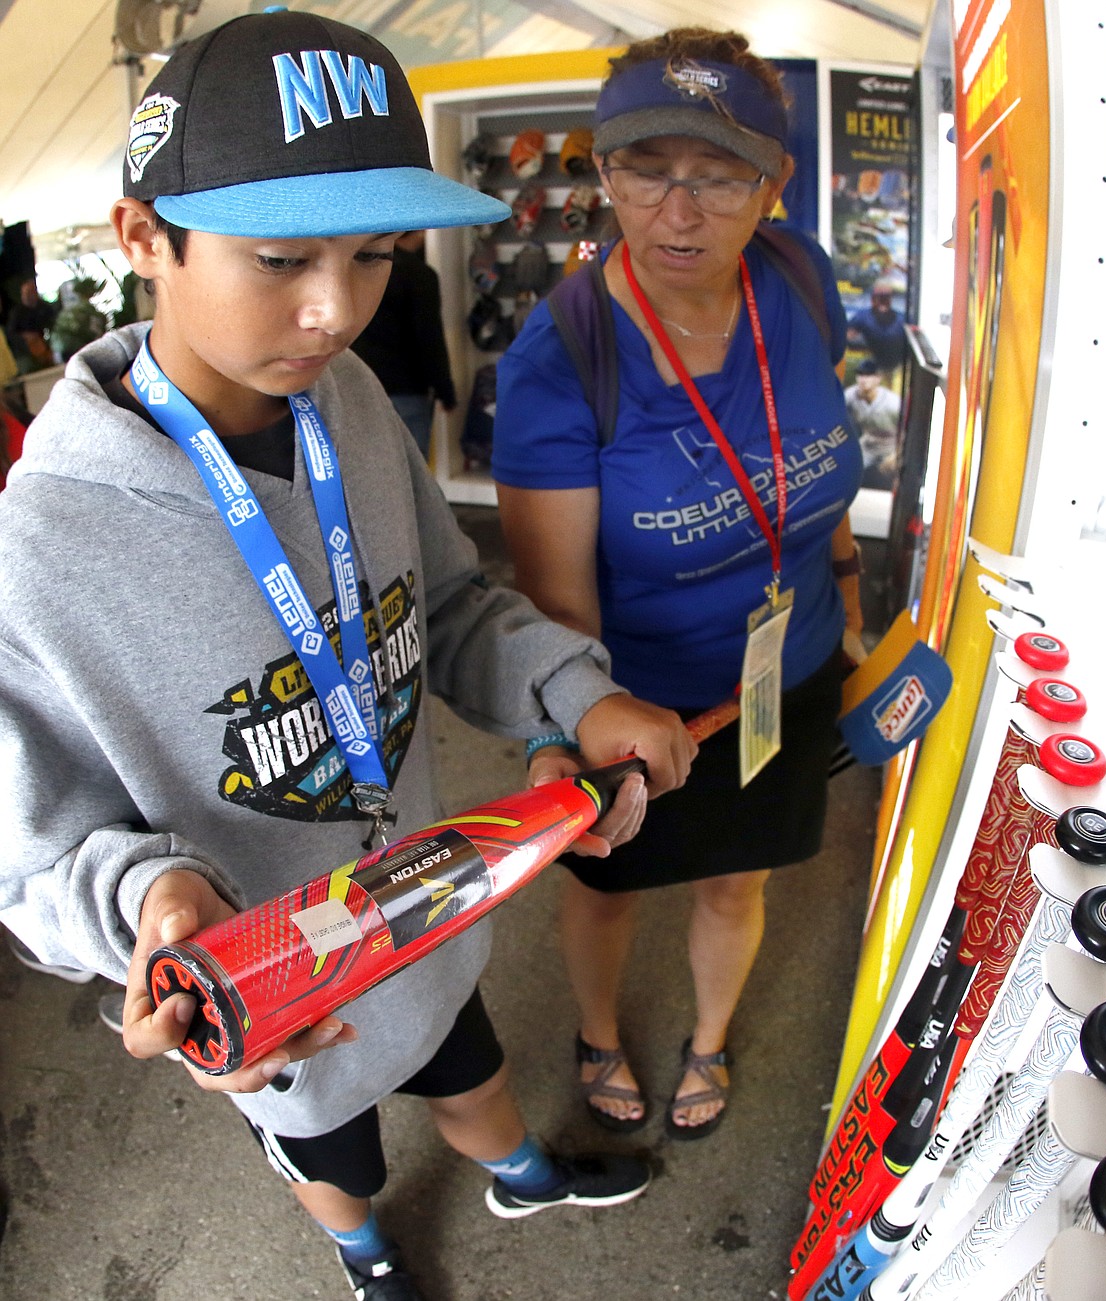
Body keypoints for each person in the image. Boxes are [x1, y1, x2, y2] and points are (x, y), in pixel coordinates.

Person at [0, 13, 699, 1301]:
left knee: (469, 1066)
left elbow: (444, 608)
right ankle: (368, 1254)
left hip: (433, 910)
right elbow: (33, 852)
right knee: (331, 1150)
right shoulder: (41, 541)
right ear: (144, 235)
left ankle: (522, 1171)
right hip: (278, 993)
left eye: (375, 254)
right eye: (280, 256)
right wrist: (150, 907)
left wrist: (575, 692)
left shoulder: (354, 403)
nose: (335, 309)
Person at [492, 28, 864, 1141]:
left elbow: (816, 456)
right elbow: (554, 600)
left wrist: (847, 598)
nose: (679, 212)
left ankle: (708, 1039)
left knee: (737, 878)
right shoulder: (563, 358)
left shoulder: (801, 279)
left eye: (718, 175)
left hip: (785, 674)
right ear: (602, 171)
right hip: (639, 708)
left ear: (775, 184)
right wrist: (560, 736)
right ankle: (598, 1031)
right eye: (645, 170)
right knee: (610, 886)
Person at [351, 230, 456, 459]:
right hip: (407, 387)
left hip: (358, 384)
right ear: (420, 231)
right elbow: (429, 338)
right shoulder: (419, 273)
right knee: (412, 471)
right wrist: (445, 390)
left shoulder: (357, 267)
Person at [845, 357, 902, 490]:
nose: (863, 379)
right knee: (846, 466)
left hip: (892, 444)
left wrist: (897, 455)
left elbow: (910, 431)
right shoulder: (850, 396)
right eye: (860, 374)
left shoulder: (893, 403)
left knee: (898, 474)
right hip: (869, 442)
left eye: (868, 375)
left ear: (878, 378)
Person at [846, 279, 906, 379]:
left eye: (886, 297)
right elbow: (845, 338)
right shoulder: (862, 317)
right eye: (879, 297)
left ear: (891, 299)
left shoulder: (902, 320)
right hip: (874, 369)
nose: (882, 301)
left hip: (898, 369)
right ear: (873, 298)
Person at [5, 277, 56, 372]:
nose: (27, 296)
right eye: (25, 294)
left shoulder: (45, 308)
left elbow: (53, 325)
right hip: (25, 351)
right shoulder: (17, 312)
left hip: (47, 348)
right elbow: (11, 334)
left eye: (30, 293)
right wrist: (26, 337)